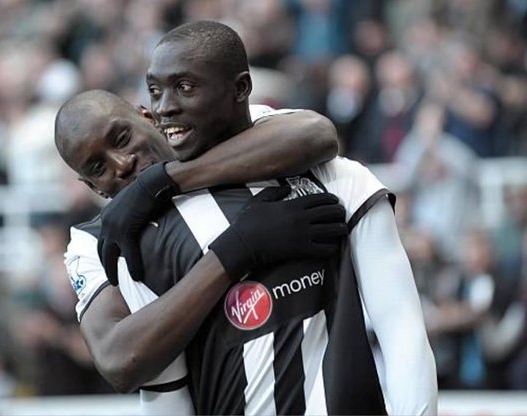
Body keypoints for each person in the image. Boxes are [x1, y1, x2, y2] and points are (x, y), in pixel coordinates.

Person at [83, 21, 437, 415]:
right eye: (155, 90)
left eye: (184, 87)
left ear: (240, 89)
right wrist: (235, 251)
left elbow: (402, 328)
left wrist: (161, 181)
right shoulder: (115, 242)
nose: (166, 106)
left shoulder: (331, 174)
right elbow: (150, 381)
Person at [56, 91, 347, 414]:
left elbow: (317, 134)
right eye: (99, 167)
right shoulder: (92, 242)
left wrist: (164, 181)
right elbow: (119, 361)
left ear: (148, 117)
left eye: (123, 138)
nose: (122, 164)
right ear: (92, 186)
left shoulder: (224, 136)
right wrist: (235, 251)